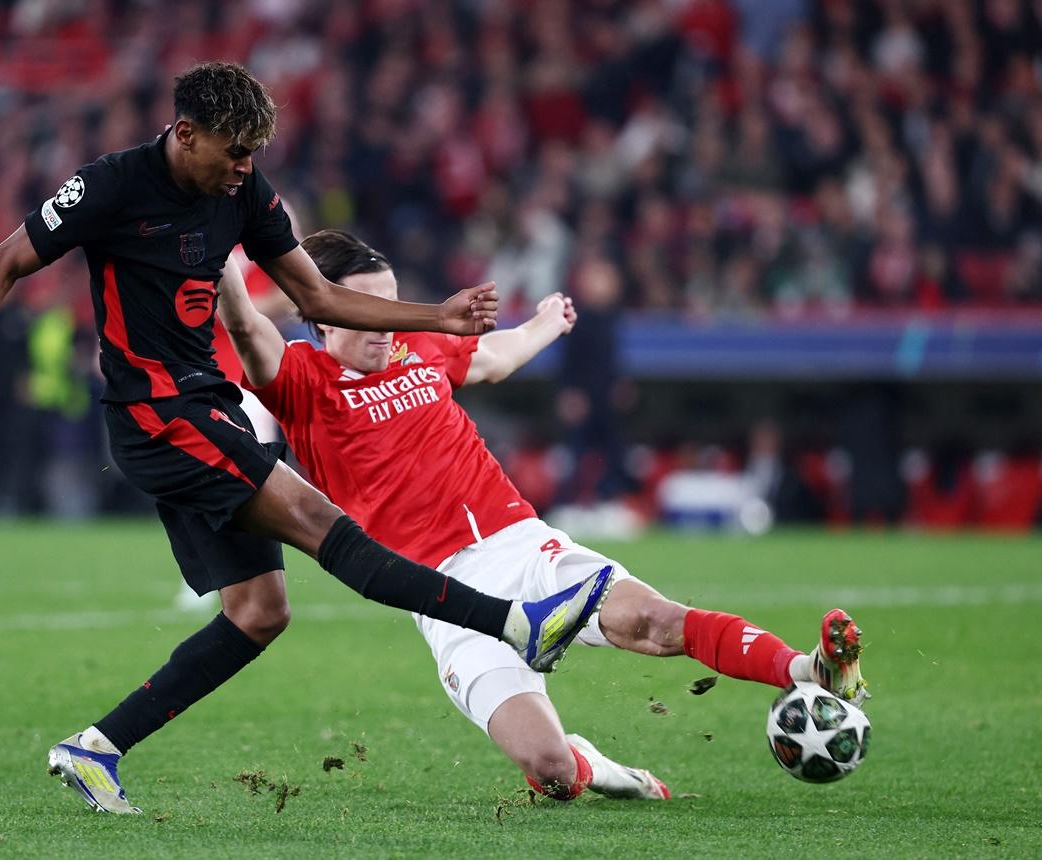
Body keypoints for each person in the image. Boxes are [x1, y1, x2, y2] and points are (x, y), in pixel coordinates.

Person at [0, 62, 612, 814]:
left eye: (255, 151)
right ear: (186, 135)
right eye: (234, 151)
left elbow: (318, 296)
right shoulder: (110, 185)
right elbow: (6, 261)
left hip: (204, 407)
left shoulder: (244, 192)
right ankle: (517, 621)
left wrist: (438, 319)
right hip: (160, 419)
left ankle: (95, 749)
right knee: (325, 524)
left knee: (260, 613)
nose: (246, 167)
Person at [222, 229, 870, 801]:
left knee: (653, 621)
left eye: (392, 303)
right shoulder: (297, 377)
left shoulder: (420, 346)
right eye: (368, 307)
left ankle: (808, 669)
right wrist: (217, 250)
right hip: (444, 595)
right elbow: (246, 324)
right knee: (550, 768)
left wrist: (548, 322)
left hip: (522, 546)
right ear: (325, 313)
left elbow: (493, 357)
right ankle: (593, 764)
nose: (387, 322)